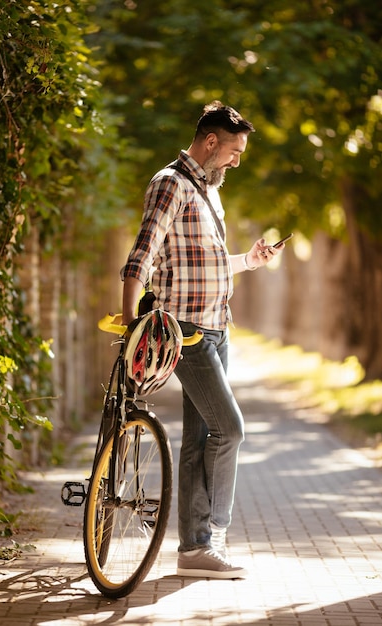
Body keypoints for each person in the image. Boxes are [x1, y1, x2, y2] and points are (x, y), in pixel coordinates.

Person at [121, 101, 284, 579]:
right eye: (234, 150)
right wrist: (133, 320)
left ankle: (194, 550)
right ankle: (213, 534)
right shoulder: (170, 183)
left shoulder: (210, 191)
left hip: (218, 327)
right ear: (210, 142)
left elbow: (200, 265)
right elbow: (143, 255)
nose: (237, 160)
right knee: (230, 430)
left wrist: (247, 262)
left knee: (199, 438)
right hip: (185, 331)